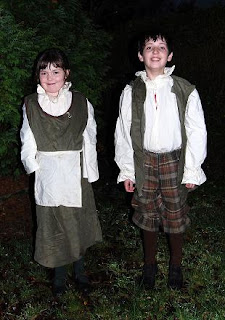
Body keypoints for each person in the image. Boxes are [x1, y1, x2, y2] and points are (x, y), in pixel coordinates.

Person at [114, 31, 207, 290]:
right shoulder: (131, 91)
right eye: (149, 46)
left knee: (175, 214)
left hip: (173, 162)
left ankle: (176, 266)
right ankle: (149, 266)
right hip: (143, 162)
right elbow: (123, 131)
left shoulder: (184, 89)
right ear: (140, 55)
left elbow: (197, 130)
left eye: (161, 47)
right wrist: (127, 170)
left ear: (170, 55)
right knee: (147, 213)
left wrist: (191, 169)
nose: (155, 51)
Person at [20, 48, 102, 296]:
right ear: (38, 76)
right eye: (44, 71)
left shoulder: (80, 102)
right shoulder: (31, 104)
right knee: (53, 226)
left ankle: (80, 272)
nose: (49, 76)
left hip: (75, 174)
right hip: (48, 174)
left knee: (75, 224)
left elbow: (90, 136)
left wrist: (89, 172)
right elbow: (27, 139)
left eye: (55, 70)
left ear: (66, 73)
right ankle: (58, 277)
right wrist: (35, 169)